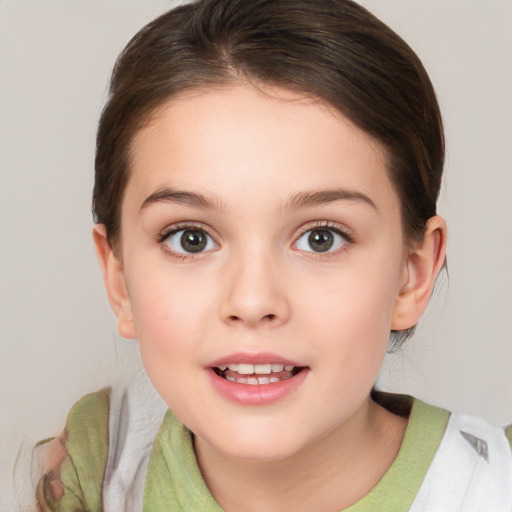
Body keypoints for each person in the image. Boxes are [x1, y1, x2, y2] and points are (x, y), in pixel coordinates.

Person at [34, 0, 512, 510]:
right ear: (120, 277)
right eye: (191, 238)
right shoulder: (94, 467)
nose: (253, 300)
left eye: (321, 238)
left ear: (412, 274)